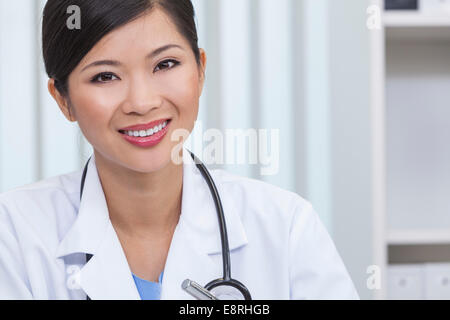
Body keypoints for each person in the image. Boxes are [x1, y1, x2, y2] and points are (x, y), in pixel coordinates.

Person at [0, 0, 359, 300]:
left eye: (165, 64)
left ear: (200, 70)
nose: (141, 102)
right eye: (105, 76)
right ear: (63, 100)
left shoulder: (286, 227)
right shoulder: (15, 232)